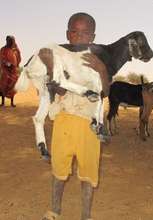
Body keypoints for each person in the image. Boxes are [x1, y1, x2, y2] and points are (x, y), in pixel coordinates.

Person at [39, 12, 109, 220]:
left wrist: (103, 70)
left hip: (90, 126)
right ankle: (54, 210)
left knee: (88, 173)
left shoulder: (97, 61)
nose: (79, 37)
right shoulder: (60, 57)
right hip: (65, 121)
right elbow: (58, 91)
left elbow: (105, 91)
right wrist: (53, 68)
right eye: (75, 32)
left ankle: (86, 215)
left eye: (85, 33)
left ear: (93, 37)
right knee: (59, 169)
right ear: (68, 35)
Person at [0, 35, 21, 106]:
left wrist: (15, 65)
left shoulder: (15, 49)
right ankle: (2, 102)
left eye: (12, 41)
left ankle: (12, 102)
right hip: (5, 71)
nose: (11, 42)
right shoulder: (3, 49)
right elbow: (1, 59)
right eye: (9, 41)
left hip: (13, 72)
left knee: (12, 87)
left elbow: (18, 58)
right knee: (3, 86)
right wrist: (7, 64)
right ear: (6, 41)